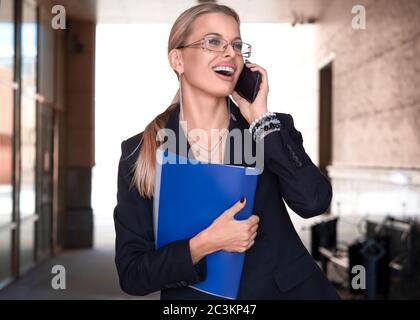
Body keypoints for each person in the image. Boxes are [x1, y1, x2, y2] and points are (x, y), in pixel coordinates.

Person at [113, 3, 340, 300]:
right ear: (178, 59)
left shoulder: (268, 129)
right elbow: (133, 275)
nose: (230, 53)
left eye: (236, 44)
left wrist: (259, 117)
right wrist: (203, 244)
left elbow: (314, 202)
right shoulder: (140, 153)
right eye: (213, 42)